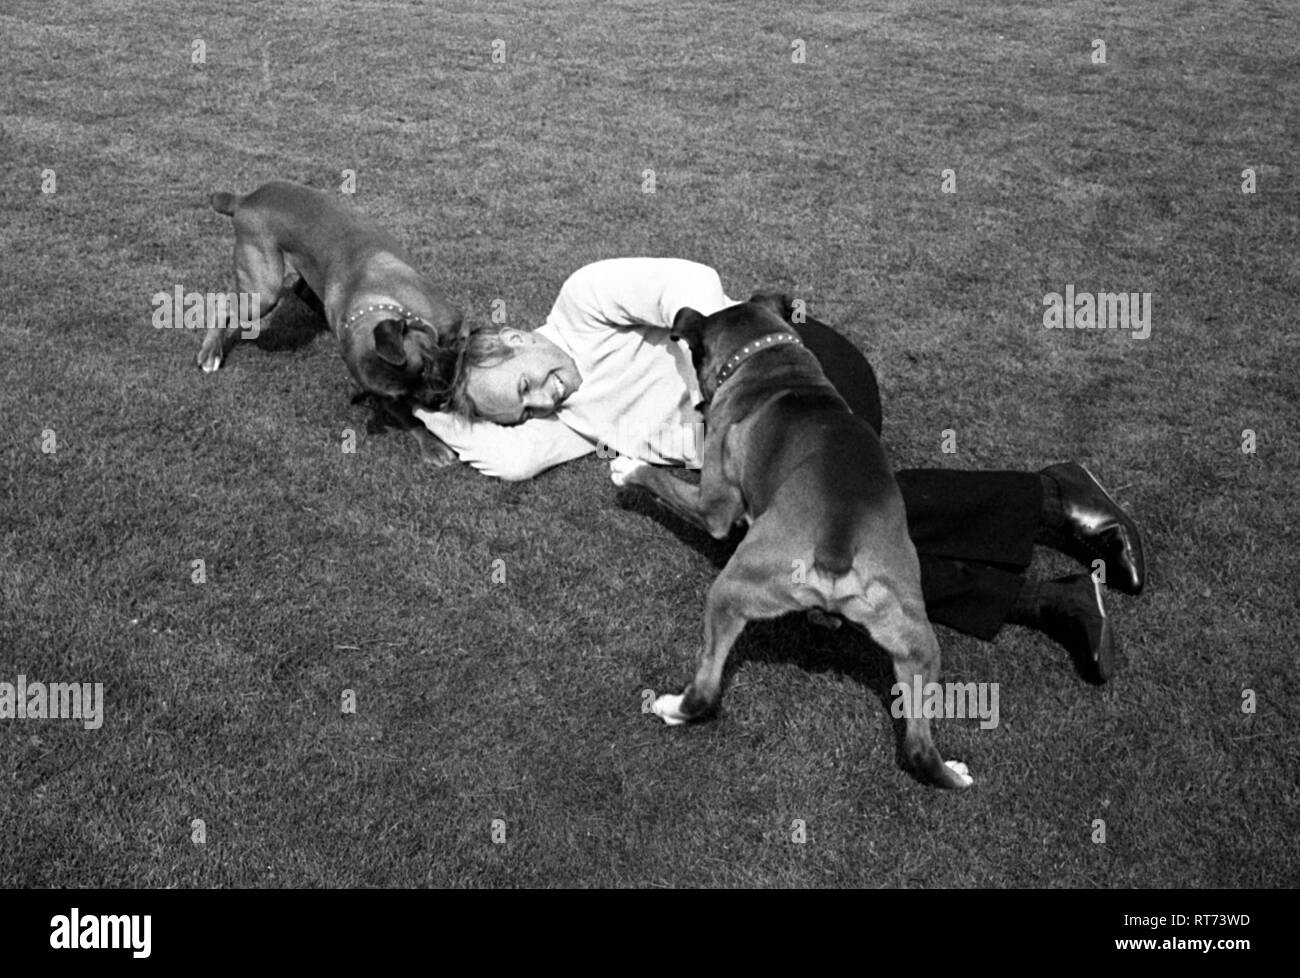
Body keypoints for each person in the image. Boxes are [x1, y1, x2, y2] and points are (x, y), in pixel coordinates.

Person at [416, 258, 1146, 680]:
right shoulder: (568, 419)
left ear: (513, 337)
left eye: (527, 385)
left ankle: (1051, 501)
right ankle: (1054, 598)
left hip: (793, 371)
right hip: (758, 459)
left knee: (826, 514)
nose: (546, 401)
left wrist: (718, 415)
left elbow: (691, 286)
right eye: (528, 411)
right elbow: (509, 460)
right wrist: (414, 393)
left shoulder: (582, 304)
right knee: (823, 553)